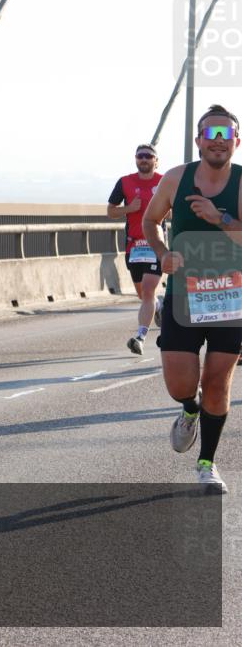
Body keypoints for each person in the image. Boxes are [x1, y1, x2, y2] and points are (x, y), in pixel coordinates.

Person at [142, 104, 242, 493]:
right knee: (180, 385)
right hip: (184, 297)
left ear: (236, 141)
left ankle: (207, 464)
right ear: (198, 140)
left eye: (225, 134)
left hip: (230, 300)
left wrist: (222, 219)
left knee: (217, 382)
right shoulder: (175, 179)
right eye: (210, 133)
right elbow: (150, 220)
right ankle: (189, 409)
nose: (218, 141)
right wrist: (162, 253)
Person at [107, 143, 164, 354]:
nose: (144, 159)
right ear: (135, 159)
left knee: (148, 290)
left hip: (156, 245)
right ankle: (158, 306)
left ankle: (140, 337)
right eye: (140, 156)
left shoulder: (164, 181)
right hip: (134, 246)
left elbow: (176, 208)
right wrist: (130, 208)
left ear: (156, 160)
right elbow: (110, 211)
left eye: (148, 156)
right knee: (143, 295)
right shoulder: (125, 182)